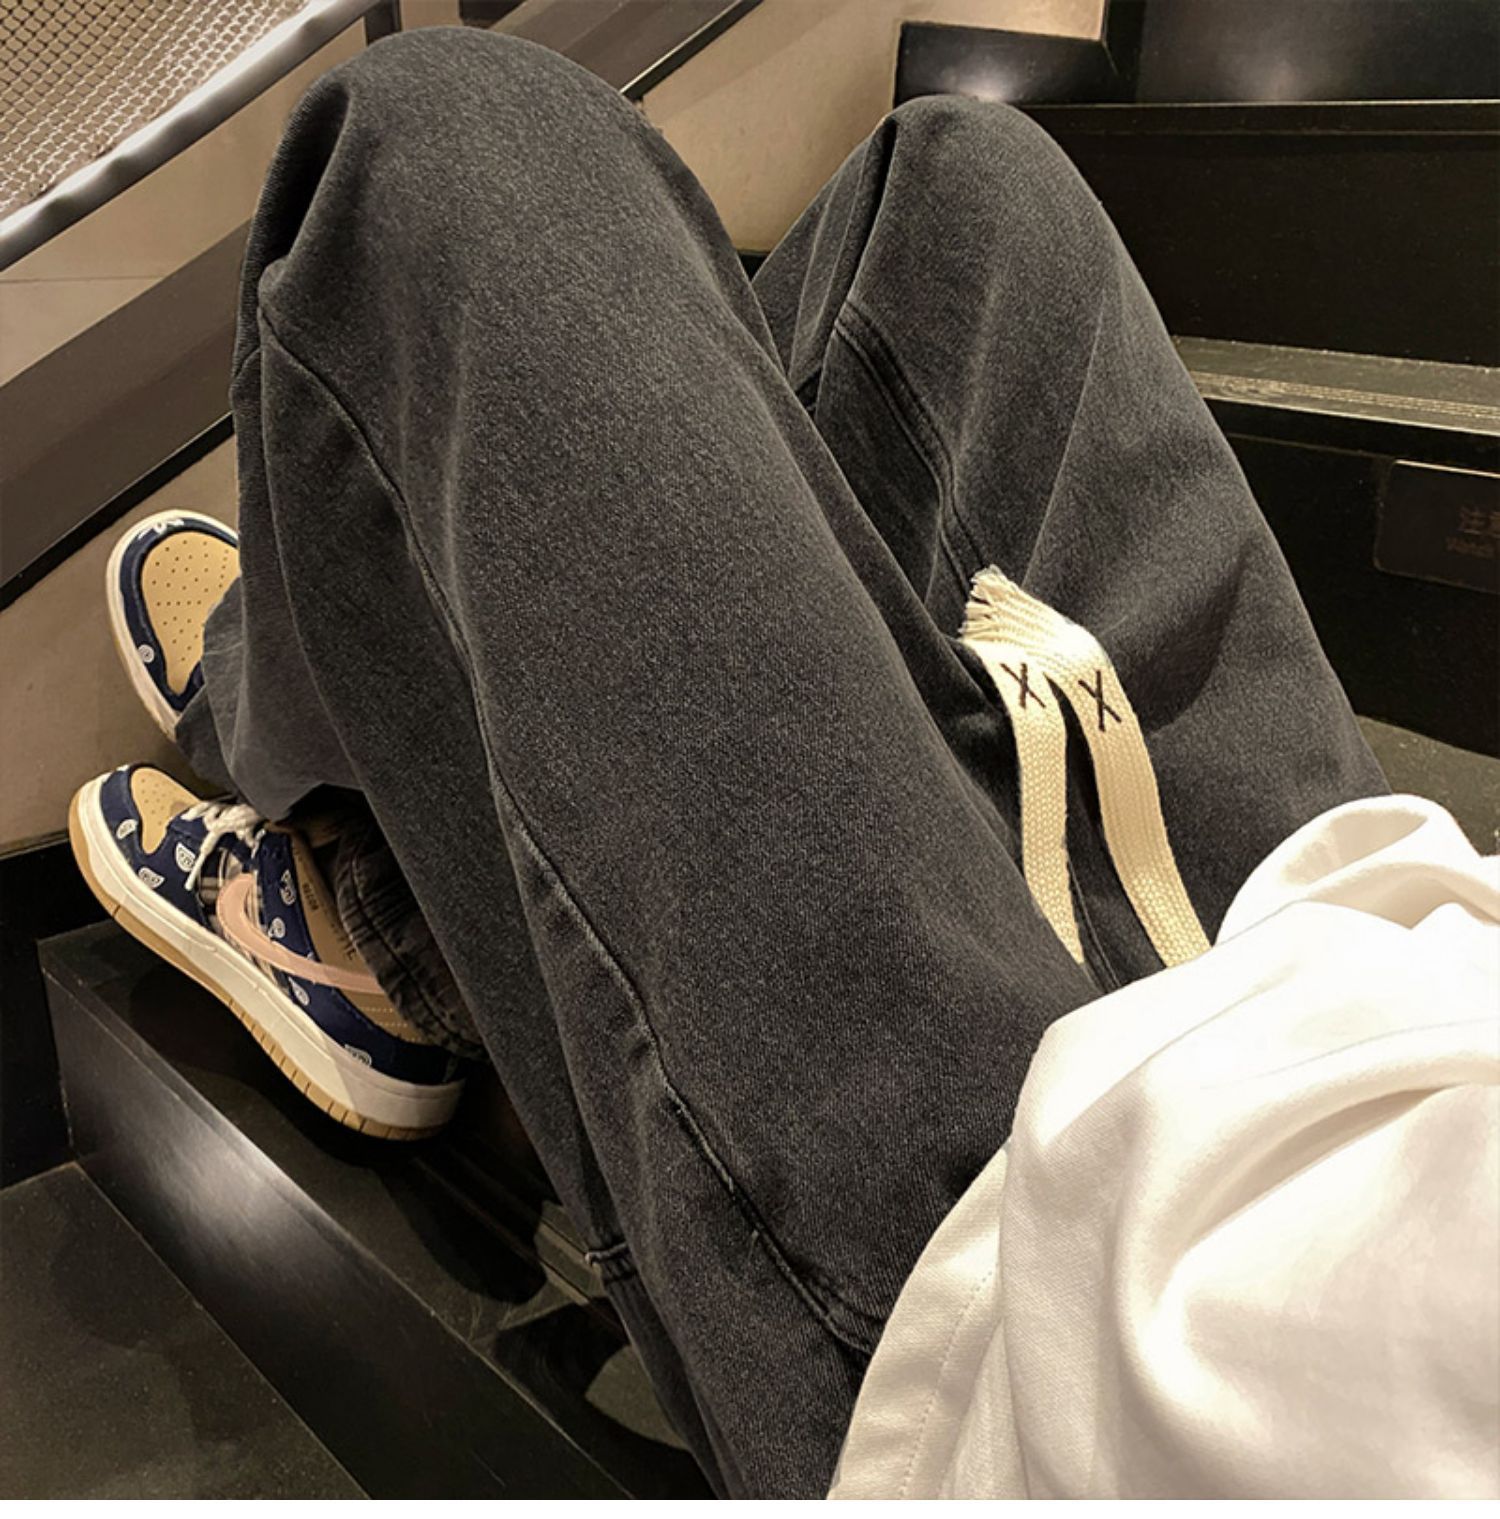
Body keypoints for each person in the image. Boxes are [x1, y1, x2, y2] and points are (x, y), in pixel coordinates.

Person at [67, 28, 1498, 1499]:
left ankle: (348, 868)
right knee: (963, 199)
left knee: (436, 146)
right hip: (1371, 969)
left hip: (1063, 1311)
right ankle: (367, 816)